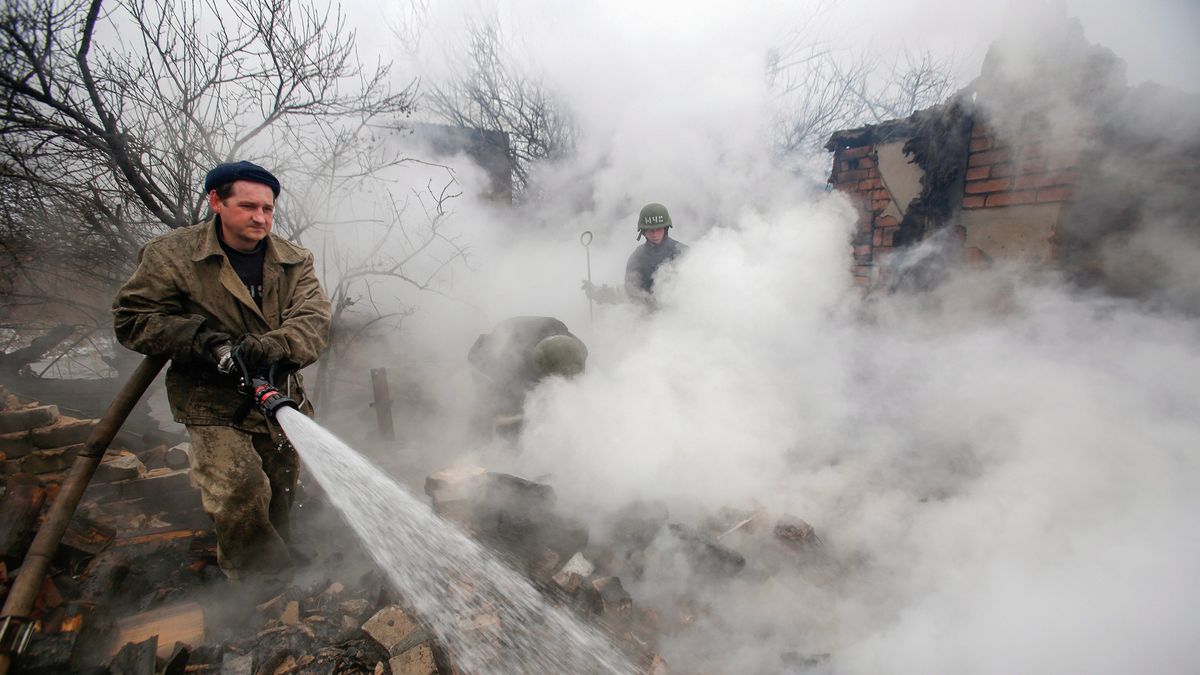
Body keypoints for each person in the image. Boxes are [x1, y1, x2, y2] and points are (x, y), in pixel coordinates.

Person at [112, 160, 331, 590]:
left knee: (282, 483)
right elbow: (133, 318)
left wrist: (272, 346)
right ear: (216, 201)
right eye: (248, 206)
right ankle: (255, 587)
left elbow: (314, 321)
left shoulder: (293, 260)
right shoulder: (173, 256)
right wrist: (203, 341)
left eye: (268, 209)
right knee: (239, 489)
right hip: (211, 399)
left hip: (279, 394)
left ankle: (282, 565)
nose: (260, 218)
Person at [468, 316, 587, 436]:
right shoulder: (514, 366)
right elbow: (504, 409)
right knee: (495, 411)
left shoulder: (579, 351)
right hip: (495, 350)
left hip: (531, 338)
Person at [583, 202, 688, 306]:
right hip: (649, 319)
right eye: (650, 230)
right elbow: (631, 292)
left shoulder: (683, 252)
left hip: (679, 316)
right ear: (643, 231)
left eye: (658, 229)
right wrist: (600, 293)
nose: (655, 234)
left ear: (666, 228)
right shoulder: (638, 257)